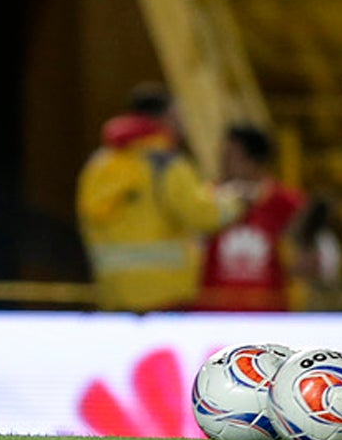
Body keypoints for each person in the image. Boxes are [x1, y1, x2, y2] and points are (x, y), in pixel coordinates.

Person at [76, 84, 245, 311]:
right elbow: (201, 214)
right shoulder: (166, 164)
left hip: (112, 292)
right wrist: (235, 201)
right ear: (168, 116)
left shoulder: (100, 164)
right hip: (165, 294)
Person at [198, 123, 339, 311]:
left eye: (230, 156)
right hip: (213, 314)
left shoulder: (288, 203)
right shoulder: (205, 199)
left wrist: (309, 260)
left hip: (269, 316)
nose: (222, 163)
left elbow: (326, 256)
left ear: (253, 161)